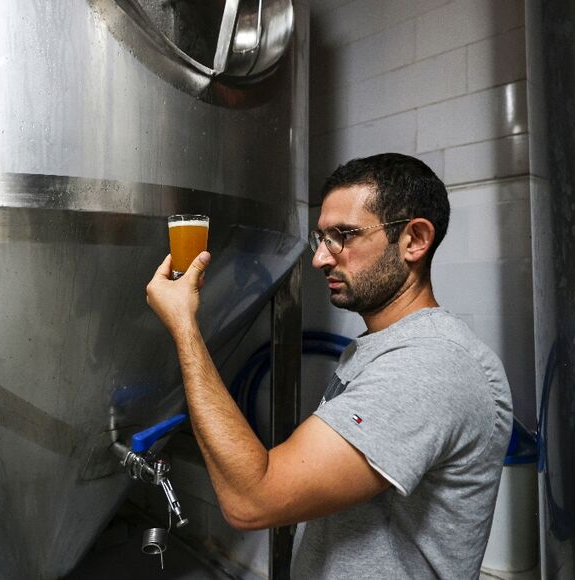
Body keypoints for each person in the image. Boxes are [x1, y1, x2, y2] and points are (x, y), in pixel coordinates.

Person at [145, 153, 513, 579]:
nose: (320, 258)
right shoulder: (383, 348)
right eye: (321, 238)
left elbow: (252, 499)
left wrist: (184, 328)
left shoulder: (429, 364)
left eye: (343, 236)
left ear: (414, 240)